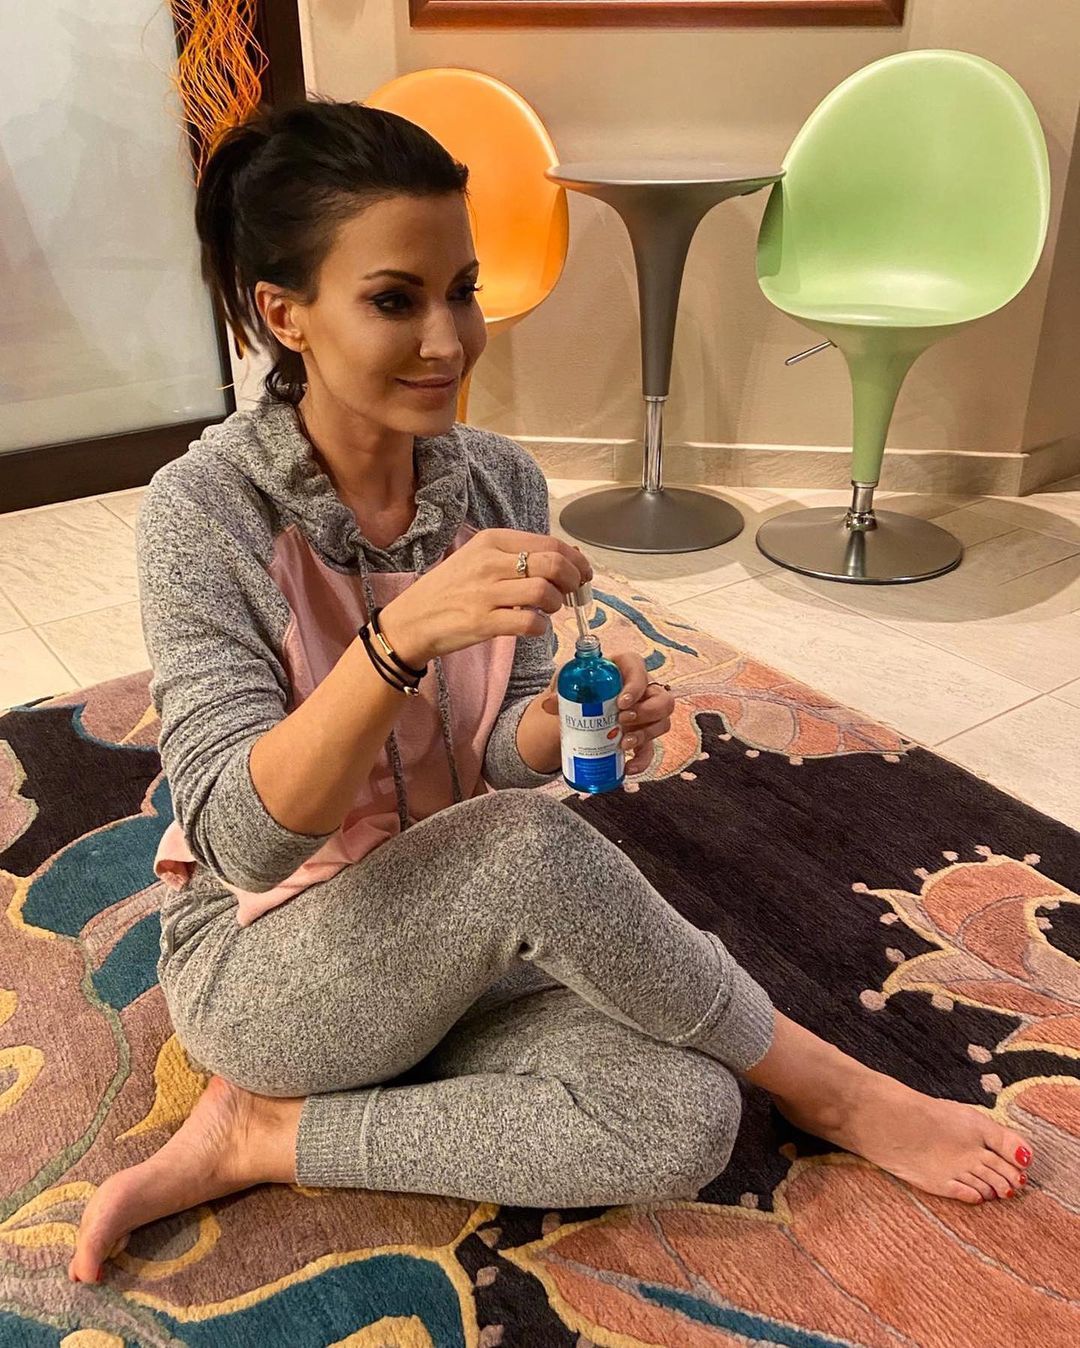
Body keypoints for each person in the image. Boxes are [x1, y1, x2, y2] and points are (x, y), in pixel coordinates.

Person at [69, 99, 1031, 1285]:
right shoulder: (203, 511)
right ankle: (832, 1086)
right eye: (394, 300)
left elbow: (501, 760)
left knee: (684, 1117)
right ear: (285, 314)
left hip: (448, 931)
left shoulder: (500, 482)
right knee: (526, 853)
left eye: (462, 290)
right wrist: (396, 640)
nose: (448, 339)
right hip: (267, 966)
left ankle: (270, 1135)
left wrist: (566, 720)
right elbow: (240, 842)